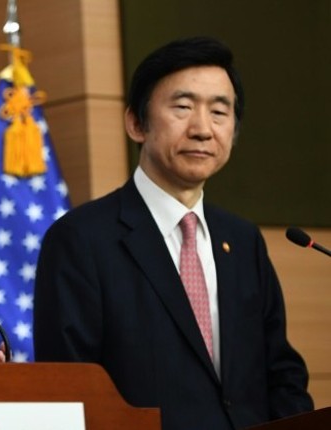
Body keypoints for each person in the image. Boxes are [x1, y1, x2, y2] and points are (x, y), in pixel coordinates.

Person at [33, 37, 314, 430]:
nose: (202, 129)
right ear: (136, 123)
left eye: (220, 112)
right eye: (182, 107)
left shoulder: (243, 240)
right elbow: (69, 386)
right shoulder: (81, 240)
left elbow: (280, 372)